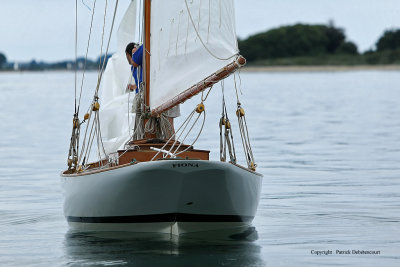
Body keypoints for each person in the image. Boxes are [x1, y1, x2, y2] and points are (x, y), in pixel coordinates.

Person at [125, 42, 180, 135]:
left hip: (160, 93)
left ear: (127, 54)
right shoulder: (158, 47)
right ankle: (169, 145)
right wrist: (134, 87)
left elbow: (134, 62)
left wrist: (135, 53)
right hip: (169, 89)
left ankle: (166, 144)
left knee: (162, 125)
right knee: (166, 127)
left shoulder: (147, 45)